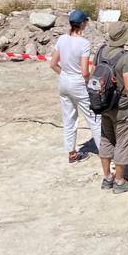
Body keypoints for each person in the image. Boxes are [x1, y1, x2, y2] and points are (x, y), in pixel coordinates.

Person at [50, 9, 103, 163]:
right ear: (82, 24)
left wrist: (65, 74)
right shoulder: (84, 43)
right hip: (78, 83)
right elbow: (85, 72)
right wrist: (91, 83)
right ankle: (105, 154)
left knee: (69, 119)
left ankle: (72, 153)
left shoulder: (62, 39)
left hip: (64, 81)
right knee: (94, 118)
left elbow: (53, 64)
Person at [95, 21, 128, 194]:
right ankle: (120, 181)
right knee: (123, 141)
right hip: (121, 107)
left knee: (106, 138)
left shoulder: (100, 52)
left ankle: (107, 177)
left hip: (103, 104)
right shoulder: (127, 57)